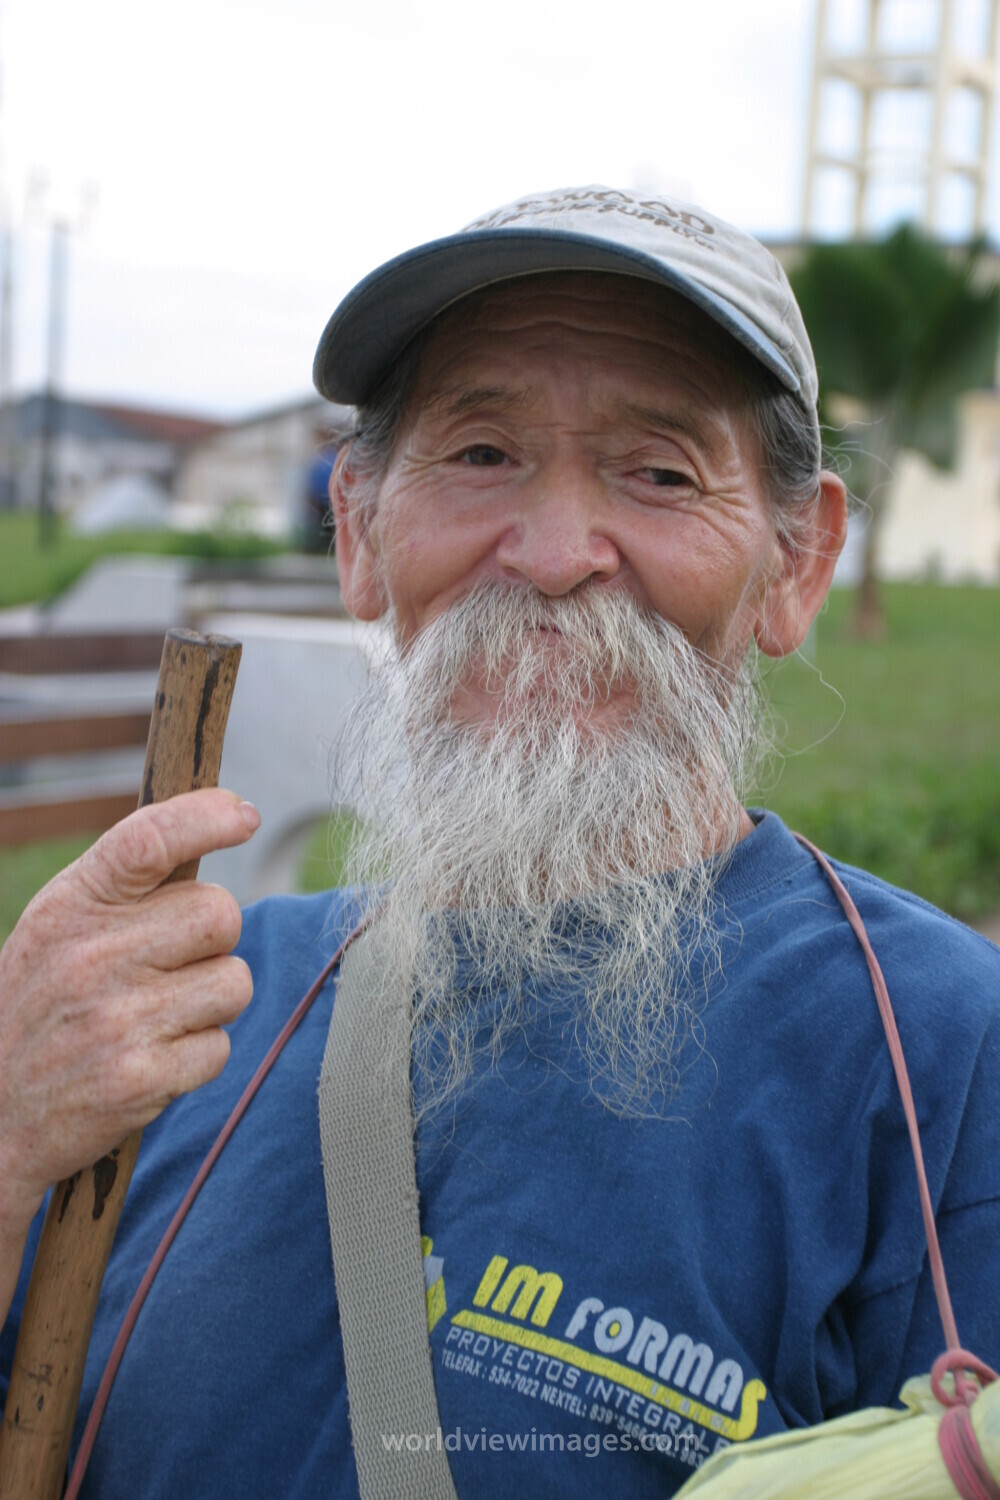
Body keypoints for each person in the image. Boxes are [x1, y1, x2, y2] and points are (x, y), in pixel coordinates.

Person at [2, 186, 999, 1499]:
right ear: (360, 533)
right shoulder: (171, 1015)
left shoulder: (936, 1055)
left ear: (797, 563)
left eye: (660, 472)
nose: (554, 554)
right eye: (480, 455)